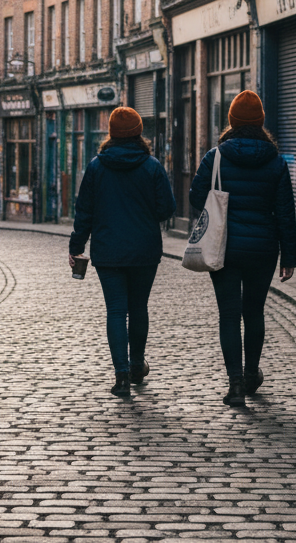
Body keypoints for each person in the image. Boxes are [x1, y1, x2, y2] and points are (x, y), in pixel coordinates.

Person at [190, 91, 296, 406]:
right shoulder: (276, 161)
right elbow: (285, 212)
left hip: (223, 247)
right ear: (261, 121)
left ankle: (235, 384)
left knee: (228, 314)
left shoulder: (216, 157)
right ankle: (252, 374)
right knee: (254, 312)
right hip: (263, 248)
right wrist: (289, 256)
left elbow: (196, 197)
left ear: (232, 121)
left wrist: (219, 201)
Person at [70, 106, 176, 398]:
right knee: (138, 307)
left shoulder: (96, 166)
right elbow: (167, 209)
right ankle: (137, 364)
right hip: (144, 250)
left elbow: (84, 212)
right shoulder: (152, 166)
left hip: (108, 251)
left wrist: (76, 246)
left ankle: (121, 377)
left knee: (116, 310)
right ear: (139, 133)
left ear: (111, 134)